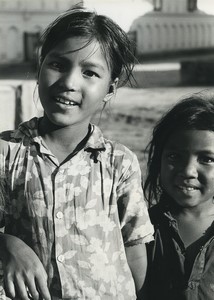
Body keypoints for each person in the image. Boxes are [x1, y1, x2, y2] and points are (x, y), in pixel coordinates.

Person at [0, 6, 154, 300]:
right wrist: (7, 244)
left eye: (90, 72)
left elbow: (134, 249)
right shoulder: (8, 154)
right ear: (40, 65)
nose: (69, 83)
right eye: (58, 64)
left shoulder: (119, 163)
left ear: (111, 88)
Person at [144, 91, 214, 300]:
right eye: (175, 156)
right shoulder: (143, 230)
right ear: (159, 160)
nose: (188, 171)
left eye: (207, 159)